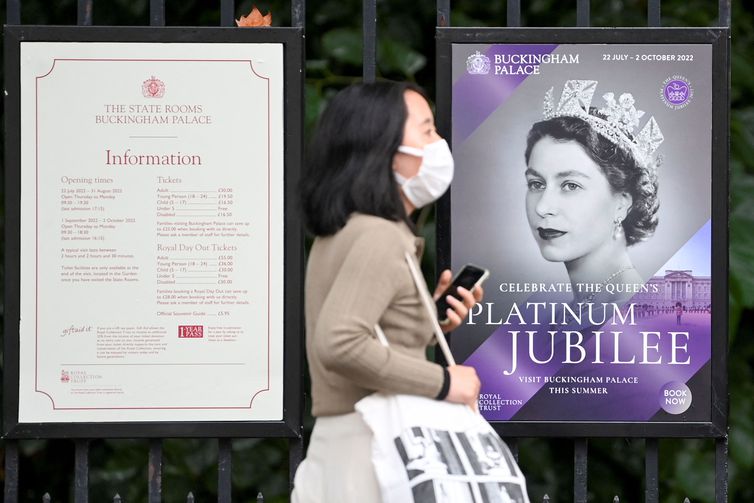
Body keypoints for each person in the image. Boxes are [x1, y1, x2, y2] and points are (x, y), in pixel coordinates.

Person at [291, 81, 483, 502]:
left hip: (348, 443)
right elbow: (340, 342)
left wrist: (427, 318)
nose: (439, 145)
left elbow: (366, 329)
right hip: (371, 451)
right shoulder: (380, 237)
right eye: (427, 131)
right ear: (385, 149)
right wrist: (445, 382)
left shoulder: (349, 230)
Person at [523, 80, 662, 306]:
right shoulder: (567, 314)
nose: (542, 207)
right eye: (536, 184)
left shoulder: (639, 317)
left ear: (621, 203)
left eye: (570, 185)